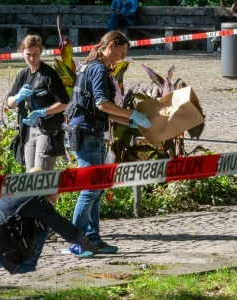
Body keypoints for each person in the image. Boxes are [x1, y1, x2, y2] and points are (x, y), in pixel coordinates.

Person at [64, 30, 151, 256]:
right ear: (111, 46)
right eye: (121, 52)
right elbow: (103, 104)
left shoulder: (93, 67)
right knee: (91, 187)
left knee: (97, 188)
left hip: (92, 132)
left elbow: (102, 111)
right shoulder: (98, 69)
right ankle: (77, 241)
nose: (121, 58)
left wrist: (131, 121)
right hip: (86, 134)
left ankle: (93, 239)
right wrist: (132, 114)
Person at [0, 191, 97, 282]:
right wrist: (87, 244)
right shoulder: (38, 200)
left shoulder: (3, 193)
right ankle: (25, 271)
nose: (53, 203)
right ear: (50, 193)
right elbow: (66, 229)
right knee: (44, 224)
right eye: (54, 200)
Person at [7, 34, 69, 172]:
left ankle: (46, 194)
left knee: (41, 175)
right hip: (29, 128)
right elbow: (10, 103)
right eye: (28, 54)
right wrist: (17, 97)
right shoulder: (23, 75)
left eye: (36, 54)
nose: (32, 58)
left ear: (41, 52)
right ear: (22, 52)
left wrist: (43, 112)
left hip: (47, 129)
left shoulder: (48, 74)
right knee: (30, 174)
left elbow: (64, 102)